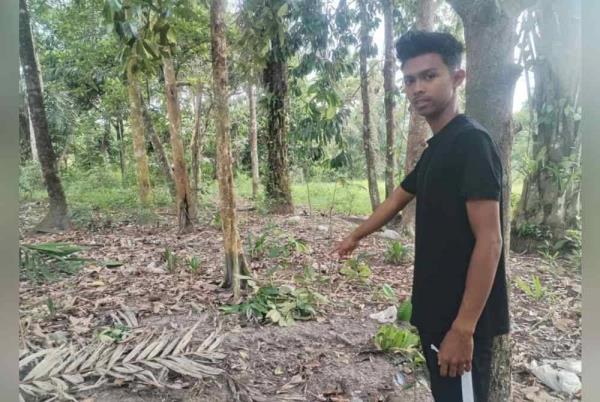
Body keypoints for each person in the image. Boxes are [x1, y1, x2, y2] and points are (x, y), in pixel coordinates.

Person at [333, 31, 509, 402]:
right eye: (410, 80)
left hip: (461, 320)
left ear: (457, 78)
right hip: (436, 312)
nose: (417, 88)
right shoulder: (436, 148)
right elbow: (399, 197)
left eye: (430, 76)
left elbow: (490, 241)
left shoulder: (471, 143)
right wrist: (356, 235)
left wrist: (463, 329)